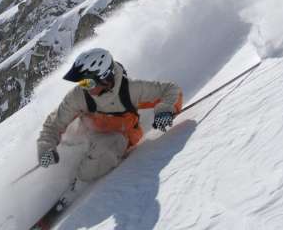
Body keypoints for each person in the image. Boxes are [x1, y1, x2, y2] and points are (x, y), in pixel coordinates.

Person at [35, 47, 183, 209]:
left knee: (108, 145)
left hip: (118, 137)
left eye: (88, 82)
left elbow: (170, 90)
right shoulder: (80, 95)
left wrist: (165, 109)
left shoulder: (130, 90)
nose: (84, 87)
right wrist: (46, 146)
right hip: (87, 134)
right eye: (82, 82)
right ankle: (67, 168)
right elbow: (55, 122)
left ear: (105, 78)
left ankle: (79, 183)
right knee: (67, 137)